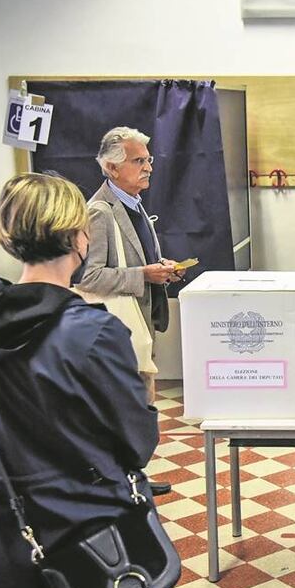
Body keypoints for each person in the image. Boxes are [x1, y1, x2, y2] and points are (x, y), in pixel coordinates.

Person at [0, 173, 169, 588]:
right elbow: (137, 441)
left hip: (8, 536)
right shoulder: (94, 332)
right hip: (90, 540)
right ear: (78, 238)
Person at [77, 126, 182, 404]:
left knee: (142, 403)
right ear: (111, 168)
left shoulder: (133, 202)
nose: (148, 168)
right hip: (119, 330)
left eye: (149, 160)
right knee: (129, 407)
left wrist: (162, 268)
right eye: (138, 161)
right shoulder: (99, 212)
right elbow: (90, 278)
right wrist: (144, 275)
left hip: (141, 321)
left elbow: (137, 255)